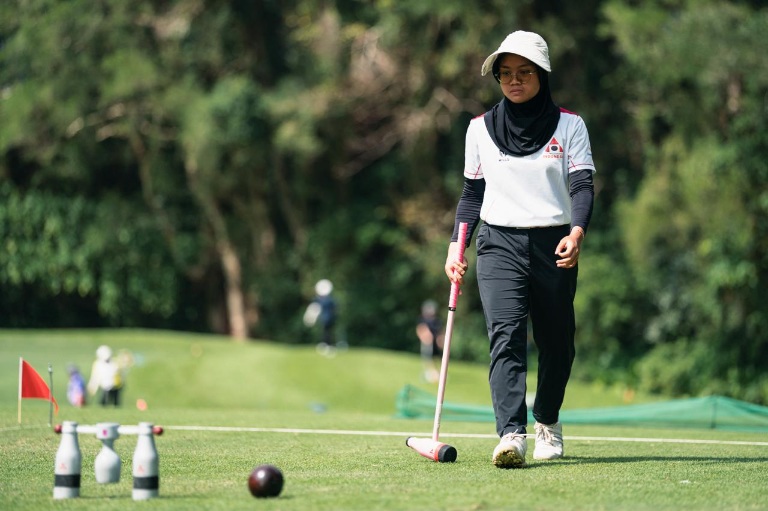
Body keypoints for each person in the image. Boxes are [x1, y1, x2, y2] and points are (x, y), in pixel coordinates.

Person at [444, 31, 595, 468]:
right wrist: (456, 247)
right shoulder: (479, 129)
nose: (514, 80)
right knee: (506, 337)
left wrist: (577, 233)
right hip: (499, 244)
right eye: (506, 73)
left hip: (555, 242)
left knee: (557, 343)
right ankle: (511, 434)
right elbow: (471, 195)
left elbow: (582, 185)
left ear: (542, 75)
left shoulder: (571, 125)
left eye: (524, 72)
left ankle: (546, 417)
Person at [303, 279, 338, 355]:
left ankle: (327, 345)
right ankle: (326, 345)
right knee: (326, 332)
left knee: (327, 332)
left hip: (327, 318)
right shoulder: (329, 299)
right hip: (328, 318)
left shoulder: (325, 300)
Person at [416, 300, 444, 383]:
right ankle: (430, 373)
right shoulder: (423, 320)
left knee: (437, 358)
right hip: (427, 342)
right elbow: (420, 329)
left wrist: (440, 340)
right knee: (428, 358)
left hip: (435, 342)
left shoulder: (437, 321)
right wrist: (425, 338)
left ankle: (438, 373)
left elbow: (440, 332)